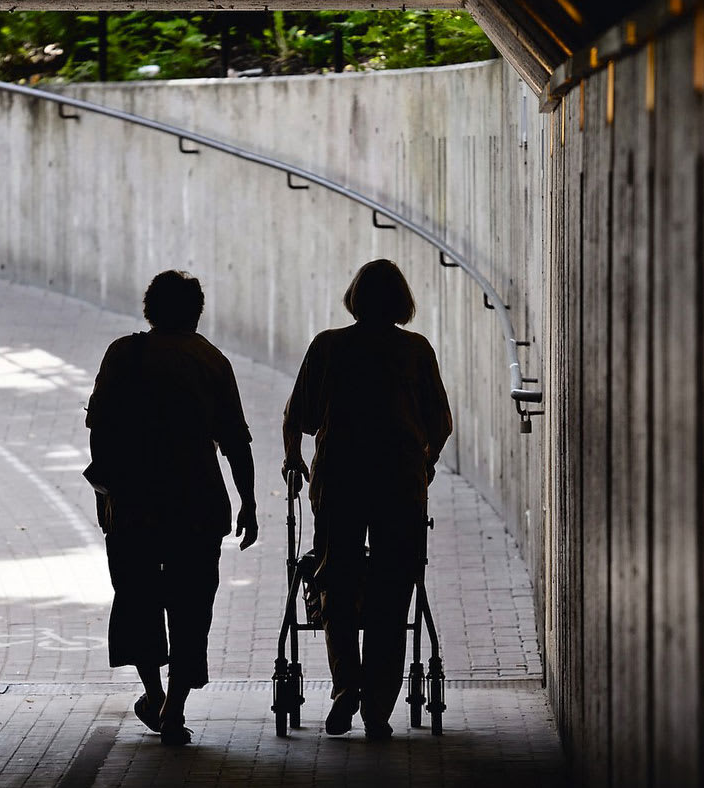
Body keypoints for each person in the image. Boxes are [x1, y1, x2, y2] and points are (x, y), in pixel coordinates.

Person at [85, 270, 258, 746]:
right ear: (196, 312)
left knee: (139, 598)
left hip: (135, 502)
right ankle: (175, 709)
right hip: (198, 504)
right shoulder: (212, 361)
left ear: (150, 309)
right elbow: (234, 440)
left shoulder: (124, 353)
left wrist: (106, 490)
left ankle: (153, 693)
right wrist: (249, 500)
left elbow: (98, 426)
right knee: (191, 605)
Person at [281, 258, 452, 740]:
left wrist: (294, 458)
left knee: (338, 577)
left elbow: (296, 416)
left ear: (355, 298)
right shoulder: (415, 351)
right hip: (398, 481)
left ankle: (344, 691)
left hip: (339, 479)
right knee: (392, 587)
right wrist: (426, 461)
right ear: (401, 302)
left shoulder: (329, 347)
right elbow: (439, 422)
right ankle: (378, 706)